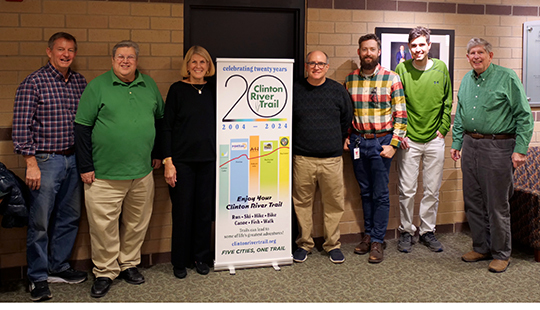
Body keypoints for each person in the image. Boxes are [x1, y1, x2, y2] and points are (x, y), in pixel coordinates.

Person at [74, 40, 164, 297]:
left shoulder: (149, 85)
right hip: (103, 174)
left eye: (131, 57)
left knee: (137, 223)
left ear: (137, 60)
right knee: (103, 227)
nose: (126, 61)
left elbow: (159, 120)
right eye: (121, 57)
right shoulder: (98, 86)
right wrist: (85, 165)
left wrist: (157, 153)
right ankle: (104, 271)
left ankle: (129, 264)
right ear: (112, 60)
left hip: (142, 173)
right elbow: (81, 127)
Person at [12, 32, 88, 302]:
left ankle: (58, 266)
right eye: (60, 49)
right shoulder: (33, 83)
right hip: (45, 161)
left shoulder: (80, 82)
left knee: (69, 217)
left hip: (74, 159)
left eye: (70, 50)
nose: (65, 54)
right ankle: (37, 276)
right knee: (40, 222)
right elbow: (21, 129)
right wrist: (30, 163)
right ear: (49, 52)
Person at [451, 38, 533, 273]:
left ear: (490, 55)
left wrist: (520, 149)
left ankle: (501, 253)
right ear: (467, 58)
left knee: (497, 204)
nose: (476, 57)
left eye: (480, 52)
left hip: (498, 147)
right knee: (473, 201)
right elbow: (461, 114)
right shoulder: (467, 79)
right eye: (471, 53)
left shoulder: (507, 77)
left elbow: (524, 116)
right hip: (470, 145)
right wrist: (457, 143)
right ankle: (481, 247)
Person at [344, 33, 407, 264]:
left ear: (378, 52)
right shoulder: (350, 80)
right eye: (364, 49)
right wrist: (346, 136)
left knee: (380, 194)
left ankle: (379, 240)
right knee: (365, 192)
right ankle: (368, 235)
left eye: (372, 49)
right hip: (358, 143)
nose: (368, 53)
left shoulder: (392, 78)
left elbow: (401, 114)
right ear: (359, 52)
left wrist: (394, 144)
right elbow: (346, 113)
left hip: (382, 143)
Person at [394, 26, 452, 253]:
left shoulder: (440, 68)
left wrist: (443, 128)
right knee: (407, 189)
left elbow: (447, 101)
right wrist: (401, 132)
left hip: (435, 139)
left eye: (421, 45)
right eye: (413, 45)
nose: (418, 49)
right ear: (409, 48)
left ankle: (427, 231)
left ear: (429, 46)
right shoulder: (402, 68)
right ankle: (406, 231)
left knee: (431, 189)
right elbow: (396, 103)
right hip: (409, 140)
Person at [291, 51, 352, 264]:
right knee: (302, 203)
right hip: (303, 158)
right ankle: (304, 244)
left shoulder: (337, 91)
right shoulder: (295, 90)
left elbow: (346, 119)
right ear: (306, 66)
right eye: (312, 63)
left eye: (320, 64)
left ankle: (332, 245)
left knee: (334, 204)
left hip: (332, 160)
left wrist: (340, 139)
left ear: (327, 67)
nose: (316, 67)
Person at [161, 45, 216, 279]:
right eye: (193, 62)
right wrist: (168, 161)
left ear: (208, 65)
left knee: (204, 212)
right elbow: (166, 127)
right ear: (187, 65)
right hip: (181, 162)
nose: (198, 66)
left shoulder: (215, 90)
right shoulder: (177, 90)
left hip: (209, 161)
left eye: (202, 62)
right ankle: (180, 261)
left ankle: (201, 257)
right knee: (182, 212)